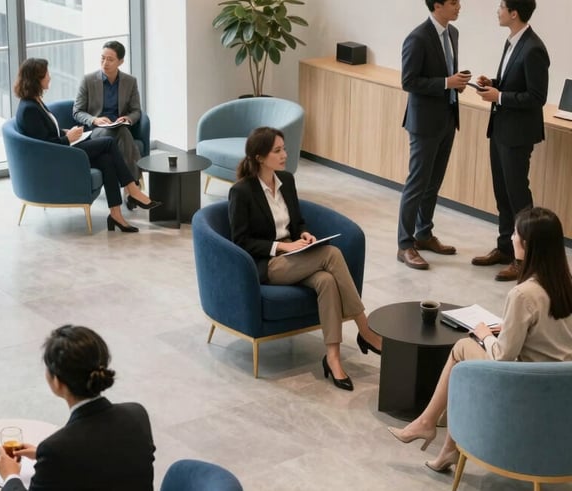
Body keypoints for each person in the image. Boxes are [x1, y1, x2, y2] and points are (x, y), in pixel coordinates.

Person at [388, 207, 572, 473]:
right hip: (560, 387)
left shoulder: (523, 294)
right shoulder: (564, 283)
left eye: (515, 235)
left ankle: (427, 423)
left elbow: (502, 357)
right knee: (467, 357)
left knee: (463, 348)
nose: (511, 239)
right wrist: (507, 328)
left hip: (527, 387)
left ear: (527, 245)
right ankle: (445, 449)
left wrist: (485, 335)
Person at [228, 127, 382, 391]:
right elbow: (240, 241)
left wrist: (305, 234)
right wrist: (283, 247)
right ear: (260, 157)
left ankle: (333, 358)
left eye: (284, 148)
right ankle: (365, 330)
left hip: (296, 256)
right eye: (277, 150)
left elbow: (297, 222)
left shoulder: (286, 180)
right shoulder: (242, 192)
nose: (284, 154)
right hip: (269, 264)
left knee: (326, 281)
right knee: (332, 254)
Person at [0, 325, 155, 490]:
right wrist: (43, 459)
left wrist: (11, 475)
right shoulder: (137, 414)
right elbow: (106, 461)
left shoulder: (56, 449)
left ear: (57, 382)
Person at [14, 58, 159, 233]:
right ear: (36, 79)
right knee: (109, 142)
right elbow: (44, 146)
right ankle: (133, 190)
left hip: (62, 149)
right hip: (59, 156)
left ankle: (116, 214)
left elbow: (47, 132)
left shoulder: (35, 101)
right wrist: (68, 139)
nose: (50, 77)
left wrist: (67, 132)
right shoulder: (29, 109)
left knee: (106, 159)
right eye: (46, 74)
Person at [471, 0, 549, 282]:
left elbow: (537, 97)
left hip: (517, 134)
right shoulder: (513, 41)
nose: (498, 10)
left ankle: (525, 259)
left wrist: (499, 97)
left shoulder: (534, 48)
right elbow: (514, 82)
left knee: (518, 196)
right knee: (502, 193)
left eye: (501, 6)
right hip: (501, 129)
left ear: (514, 13)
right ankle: (505, 247)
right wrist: (492, 84)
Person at [396, 0, 471, 271]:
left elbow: (445, 74)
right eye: (453, 2)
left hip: (448, 118)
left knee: (433, 182)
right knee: (417, 183)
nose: (459, 6)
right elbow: (409, 81)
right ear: (437, 5)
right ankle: (405, 245)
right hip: (424, 123)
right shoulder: (417, 38)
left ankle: (424, 234)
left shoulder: (453, 34)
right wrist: (445, 83)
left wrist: (456, 84)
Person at [73, 40, 144, 194]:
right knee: (123, 133)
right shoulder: (88, 80)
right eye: (102, 58)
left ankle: (129, 188)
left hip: (118, 126)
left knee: (122, 130)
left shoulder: (130, 81)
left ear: (121, 61)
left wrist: (128, 119)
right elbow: (77, 111)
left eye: (110, 59)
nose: (105, 63)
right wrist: (94, 119)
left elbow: (136, 111)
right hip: (96, 130)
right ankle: (133, 186)